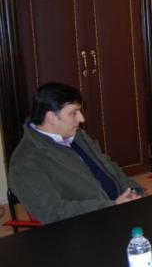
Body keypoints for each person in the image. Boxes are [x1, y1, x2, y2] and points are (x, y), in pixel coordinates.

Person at [9, 82, 142, 224]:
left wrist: (132, 190)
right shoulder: (25, 162)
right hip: (87, 224)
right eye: (73, 113)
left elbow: (108, 166)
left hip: (119, 208)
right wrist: (112, 205)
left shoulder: (76, 135)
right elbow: (53, 212)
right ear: (51, 117)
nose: (82, 119)